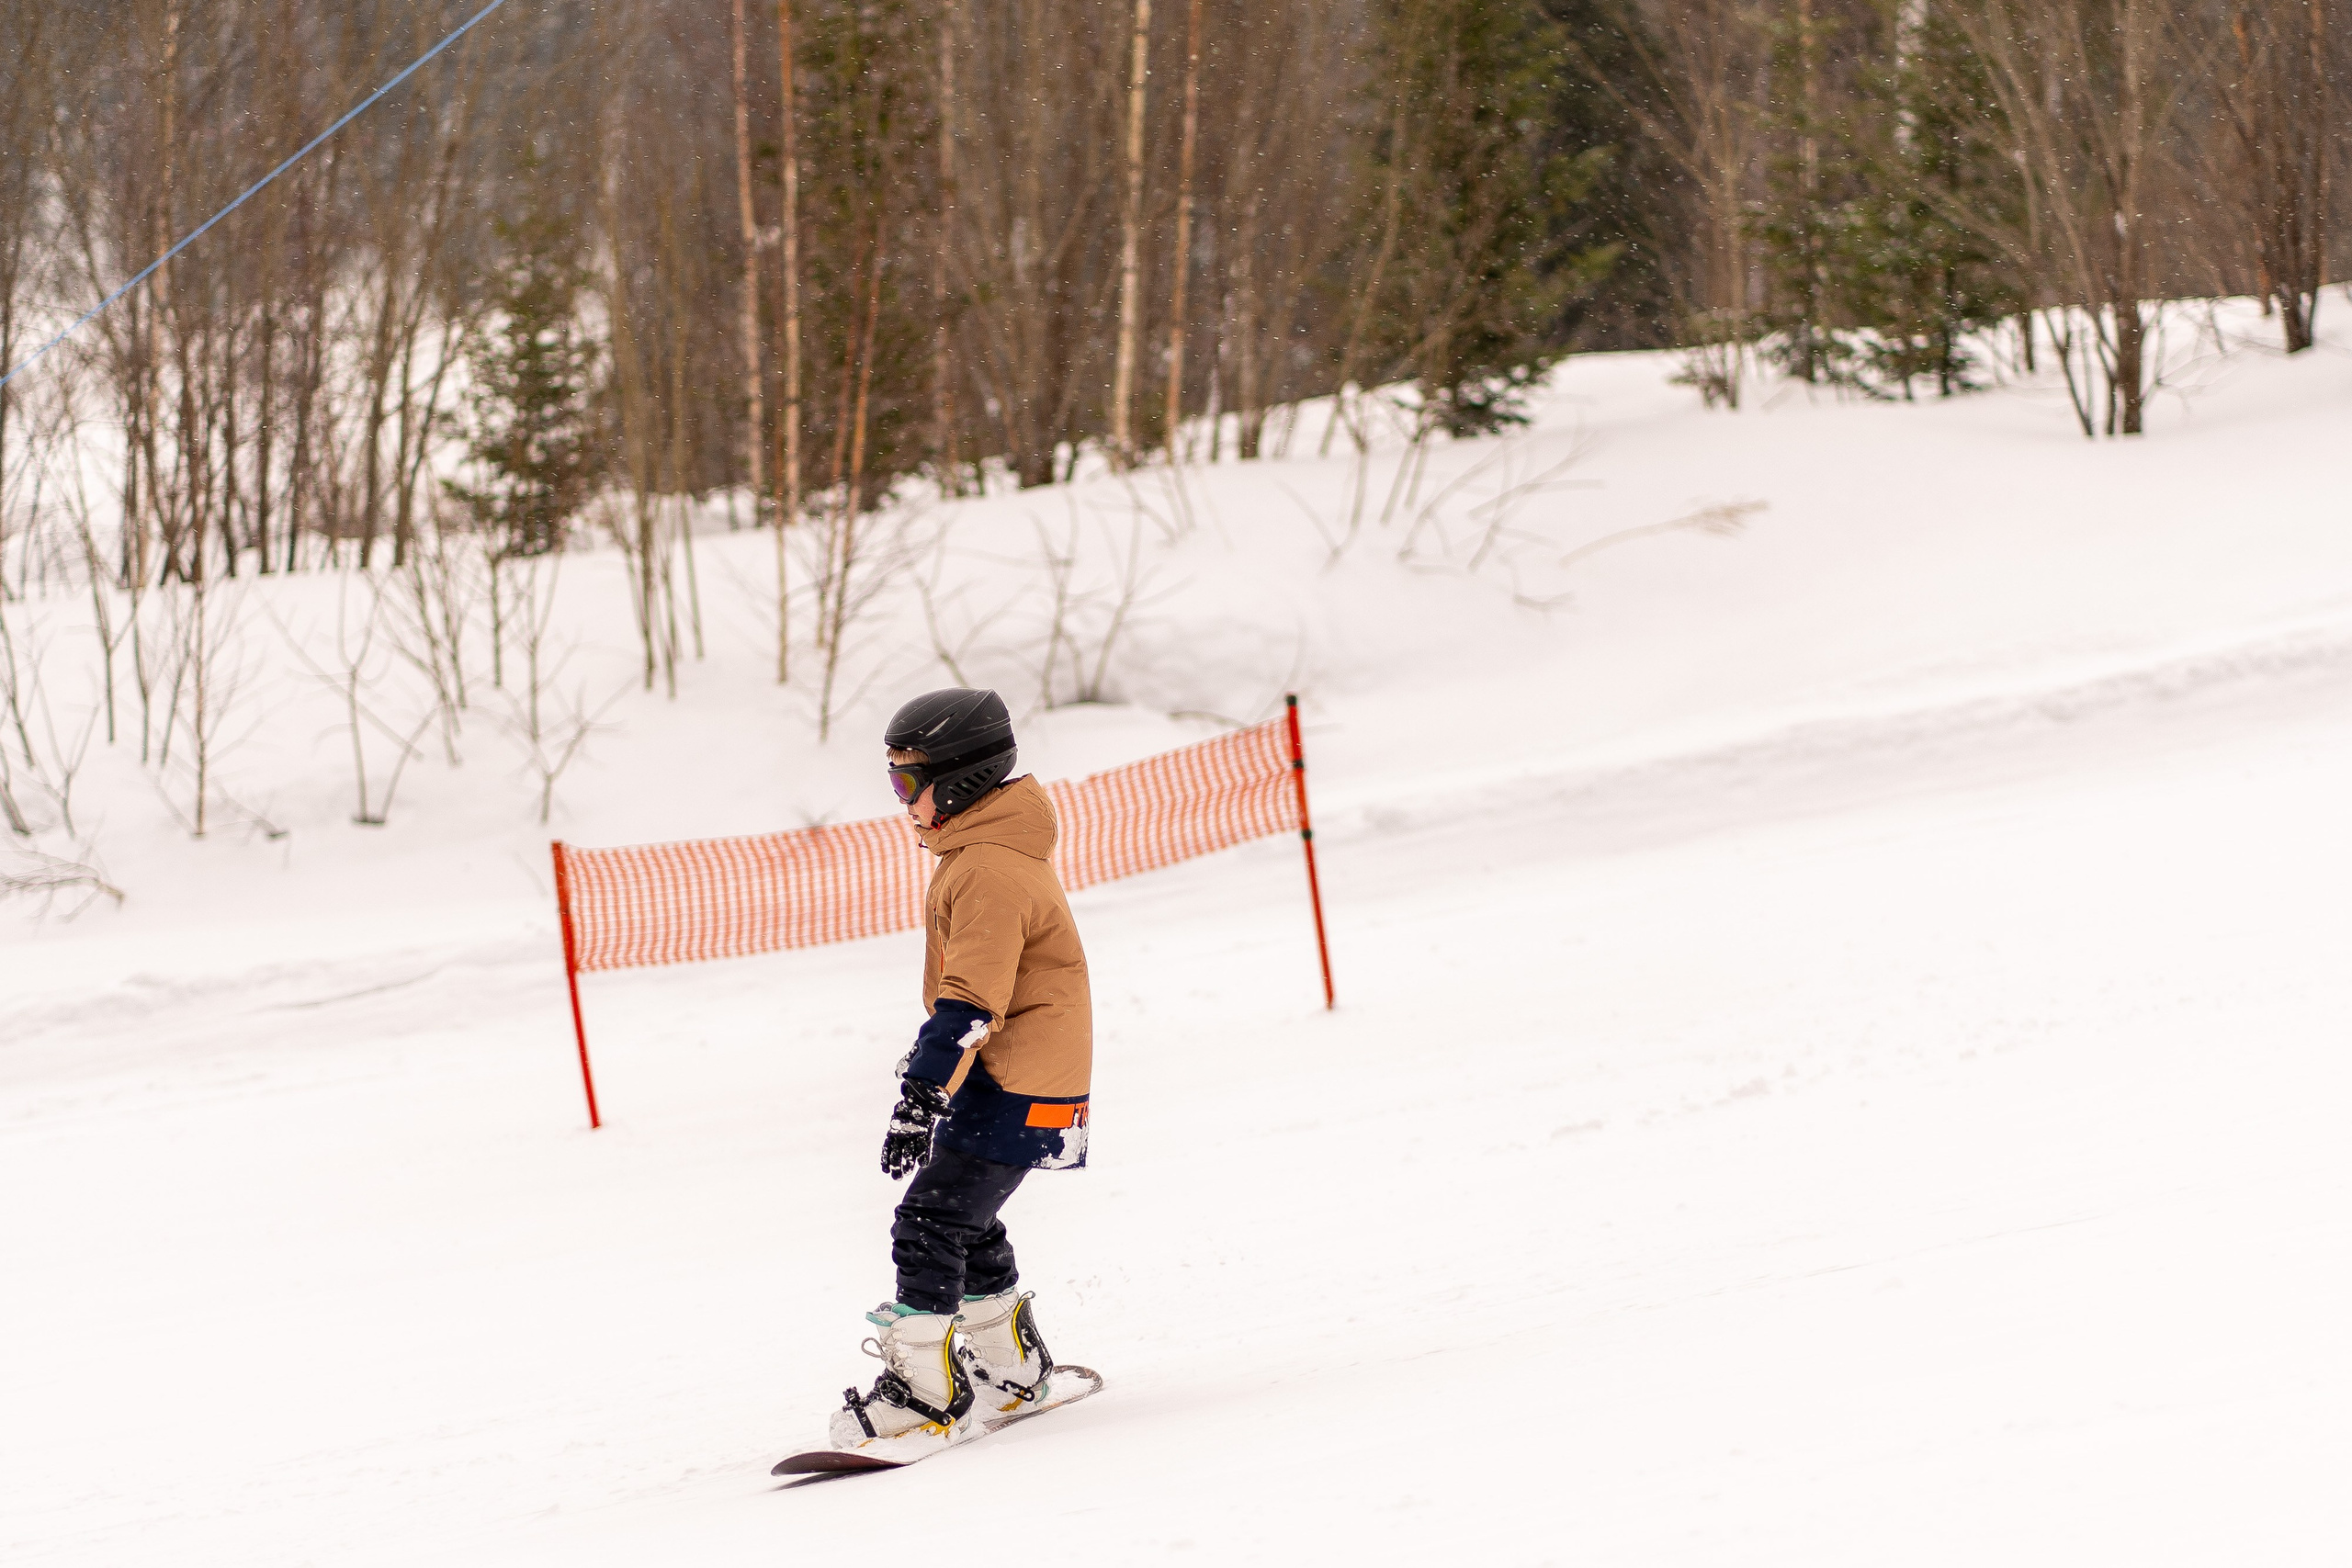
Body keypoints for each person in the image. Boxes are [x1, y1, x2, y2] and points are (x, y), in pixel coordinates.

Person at [829, 688, 1092, 1458]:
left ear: (963, 781)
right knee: (963, 1219)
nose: (902, 802)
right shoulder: (983, 855)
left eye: (907, 784)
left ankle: (925, 1396)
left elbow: (971, 1004)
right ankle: (1012, 1372)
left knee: (928, 1223)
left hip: (1017, 1079)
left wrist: (920, 1093)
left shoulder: (986, 868)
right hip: (1016, 1076)